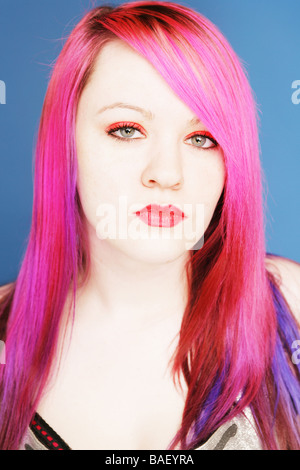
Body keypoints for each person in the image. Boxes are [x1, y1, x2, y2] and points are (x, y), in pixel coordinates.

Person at [0, 1, 299, 451]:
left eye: (201, 138)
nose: (167, 173)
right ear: (66, 142)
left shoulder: (292, 308)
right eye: (126, 129)